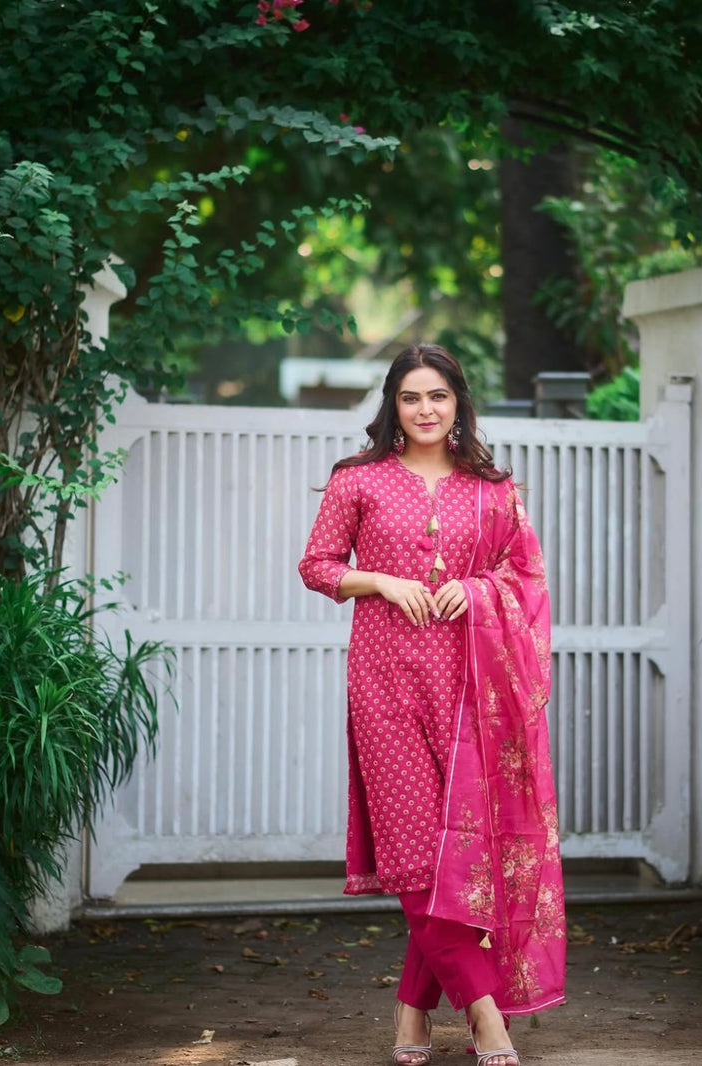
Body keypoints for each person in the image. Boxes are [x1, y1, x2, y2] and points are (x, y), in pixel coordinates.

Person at [298, 343, 565, 1066]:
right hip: (384, 683)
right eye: (411, 398)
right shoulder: (359, 481)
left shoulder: (493, 489)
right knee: (416, 856)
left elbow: (526, 574)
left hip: (473, 694)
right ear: (393, 405)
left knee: (460, 859)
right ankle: (487, 1016)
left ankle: (412, 1009)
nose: (424, 410)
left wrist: (477, 589)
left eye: (437, 397)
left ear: (458, 404)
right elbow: (316, 566)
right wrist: (380, 582)